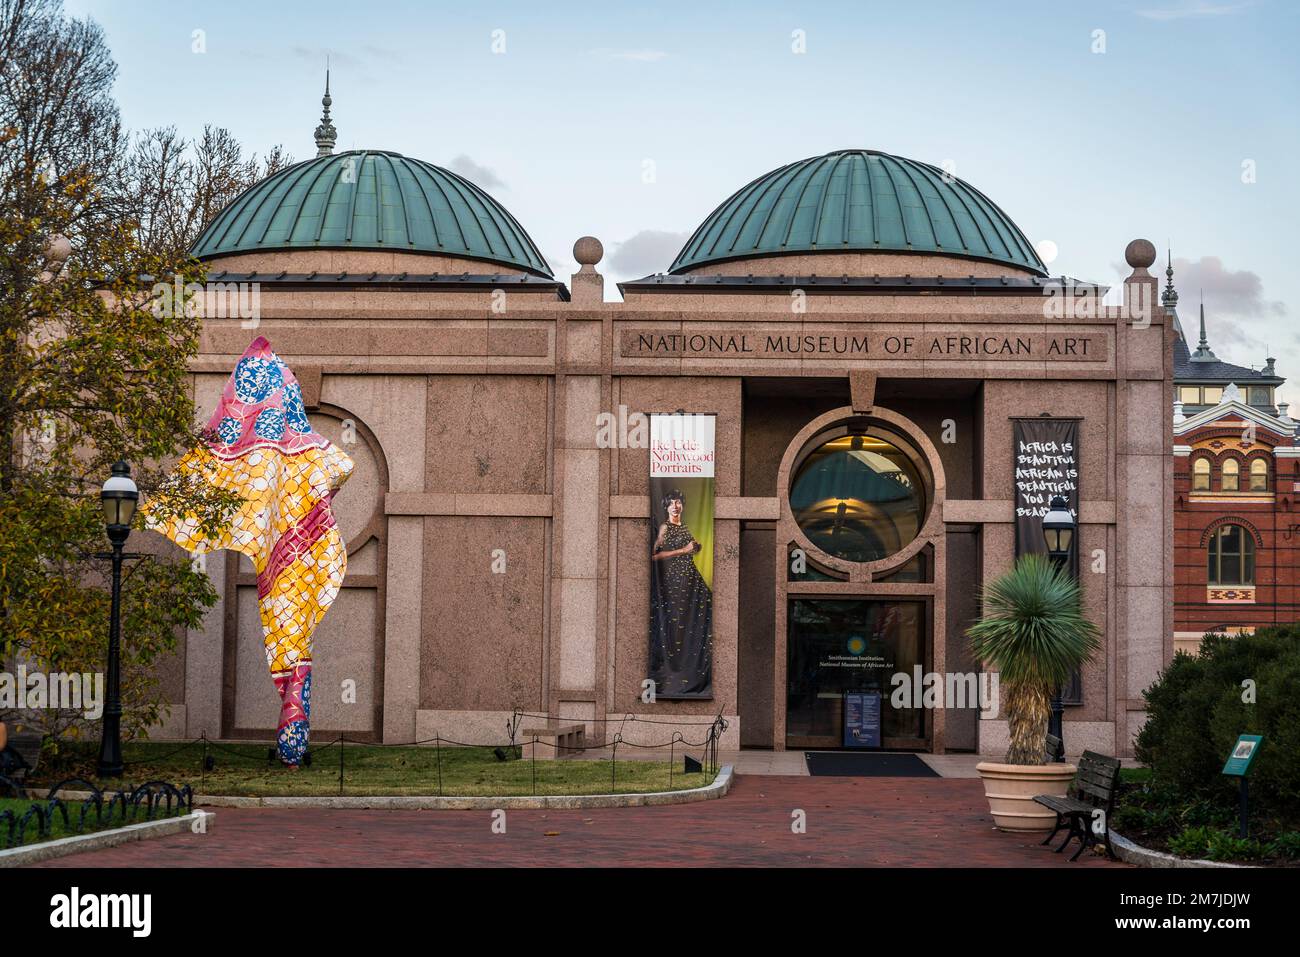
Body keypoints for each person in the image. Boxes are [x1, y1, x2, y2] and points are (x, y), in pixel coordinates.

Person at [649, 488, 713, 697]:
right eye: (671, 503)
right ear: (666, 507)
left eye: (678, 502)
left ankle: (694, 668)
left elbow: (688, 547)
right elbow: (655, 555)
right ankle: (674, 672)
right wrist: (683, 551)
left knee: (700, 612)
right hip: (675, 581)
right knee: (677, 621)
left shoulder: (683, 525)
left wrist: (694, 547)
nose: (676, 506)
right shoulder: (665, 527)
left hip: (690, 577)